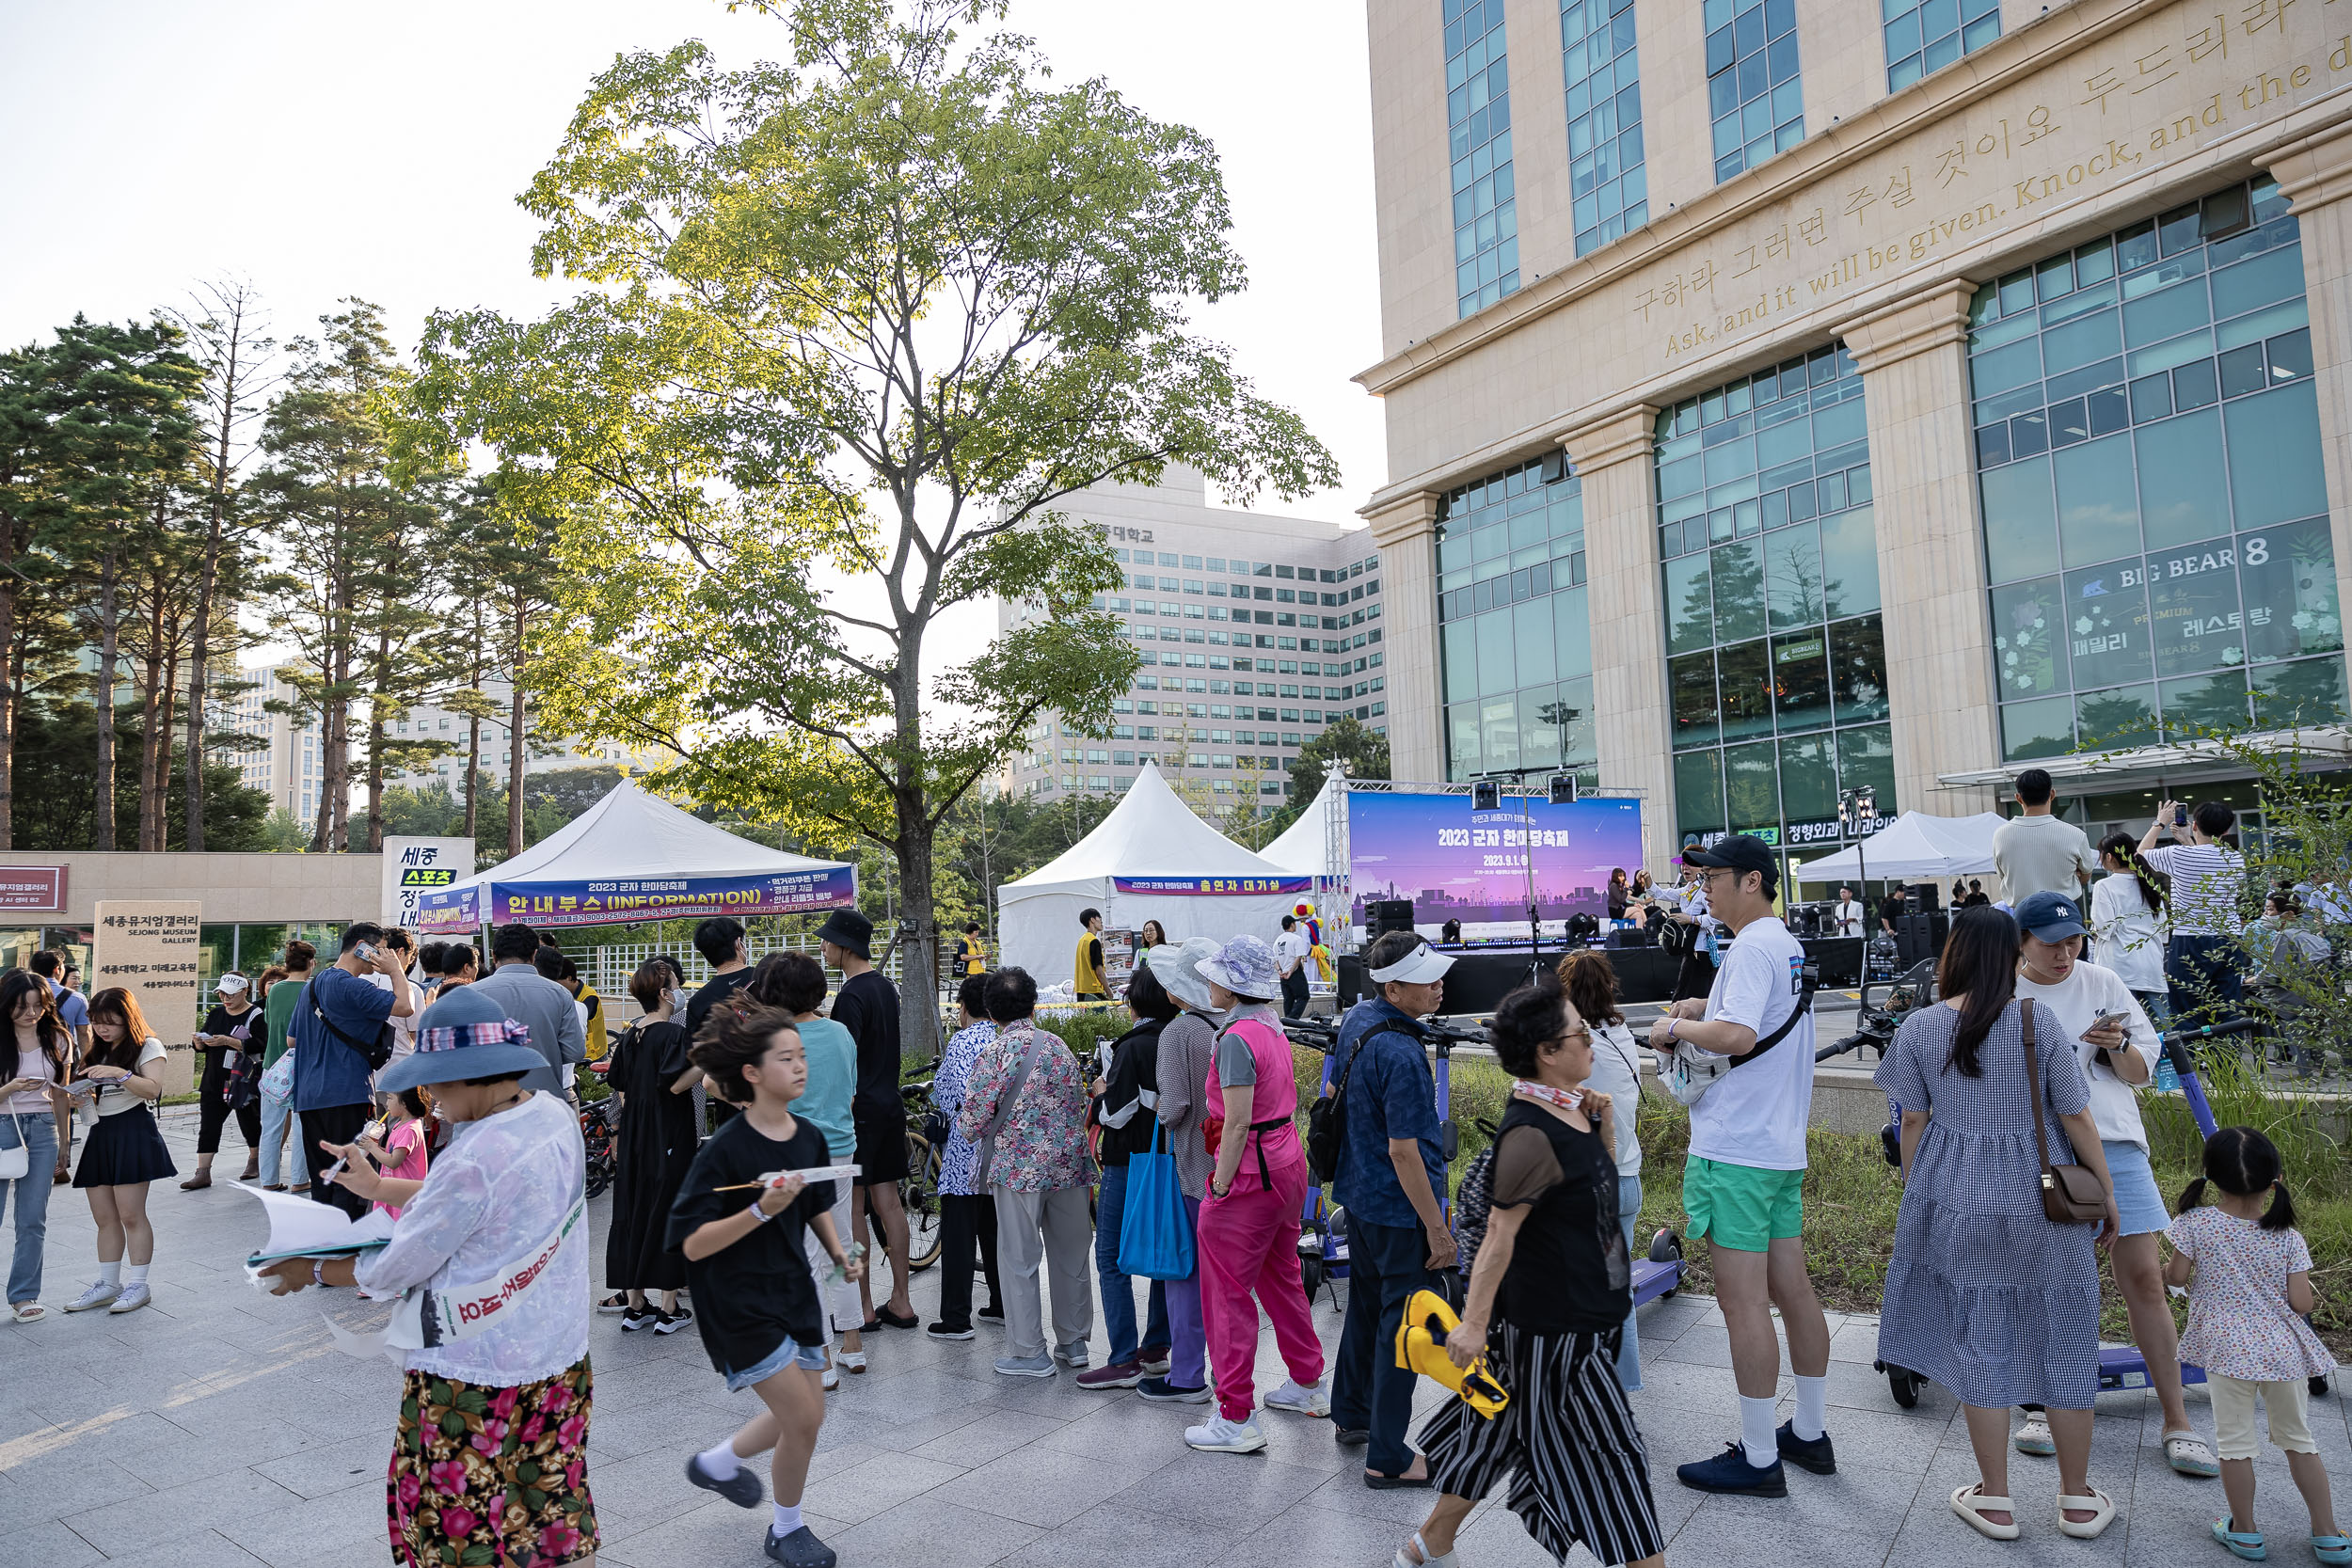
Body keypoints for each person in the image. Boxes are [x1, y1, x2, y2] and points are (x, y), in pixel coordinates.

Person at [258, 984, 600, 1568]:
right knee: (553, 1509)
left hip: (473, 1373)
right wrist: (379, 1187)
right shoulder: (550, 1115)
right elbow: (483, 1200)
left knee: (458, 1529)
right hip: (558, 1354)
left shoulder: (473, 1156)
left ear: (476, 1074)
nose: (431, 1096)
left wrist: (308, 1267)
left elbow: (393, 1269)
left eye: (438, 1081)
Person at [1873, 905, 2122, 1541]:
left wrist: (1918, 1189)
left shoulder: (1921, 1027)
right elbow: (2076, 1119)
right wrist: (2109, 1196)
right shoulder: (2037, 1021)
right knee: (2064, 1337)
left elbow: (1911, 1120)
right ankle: (2076, 1499)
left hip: (1959, 1204)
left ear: (1953, 954)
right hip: (2045, 1205)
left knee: (1980, 1339)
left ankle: (1997, 1498)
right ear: (2012, 957)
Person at [1402, 979, 1666, 1568]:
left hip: (1567, 1320)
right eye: (1580, 1033)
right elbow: (1500, 1236)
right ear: (1548, 1052)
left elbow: (1584, 1208)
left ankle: (1429, 1541)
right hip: (1555, 1334)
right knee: (1616, 1463)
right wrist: (1472, 1326)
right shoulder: (1529, 1135)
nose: (1590, 1041)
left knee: (1495, 1430)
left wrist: (1600, 1127)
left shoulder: (1570, 1112)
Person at [1645, 833, 1836, 1497]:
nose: (1703, 889)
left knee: (1742, 1303)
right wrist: (1707, 1007)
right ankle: (1808, 1432)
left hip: (1737, 1150)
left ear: (1751, 879)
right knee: (1794, 1291)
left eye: (1712, 877)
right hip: (1778, 1147)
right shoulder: (1782, 942)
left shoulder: (1751, 944)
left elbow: (1738, 1037)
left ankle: (1758, 1457)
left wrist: (1675, 1029)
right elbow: (1750, 1018)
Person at [2009, 892, 2216, 1478]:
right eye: (2050, 942)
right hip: (2040, 1148)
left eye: (2072, 939)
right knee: (2050, 1281)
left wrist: (2120, 1046)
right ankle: (2046, 1404)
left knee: (2145, 1279)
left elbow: (2144, 1073)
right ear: (2021, 942)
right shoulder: (2003, 992)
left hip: (2117, 1142)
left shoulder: (2102, 981)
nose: (2063, 952)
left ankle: (2177, 1420)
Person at [670, 1005, 864, 1568]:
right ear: (752, 1072)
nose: (800, 1067)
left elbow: (819, 1207)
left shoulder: (808, 1136)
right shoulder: (724, 1150)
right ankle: (786, 1529)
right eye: (787, 1058)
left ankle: (716, 1463)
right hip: (737, 1300)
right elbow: (693, 1244)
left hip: (793, 1291)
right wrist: (759, 1209)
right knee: (803, 1417)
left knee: (805, 1416)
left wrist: (842, 1258)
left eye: (802, 1056)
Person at [2163, 1128, 2344, 1565]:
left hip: (2226, 1352)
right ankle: (2328, 1535)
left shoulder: (2196, 1223)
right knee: (2299, 1439)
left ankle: (2244, 1532)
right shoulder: (2287, 1237)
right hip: (2283, 1354)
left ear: (2209, 1175)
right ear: (2276, 1179)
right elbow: (2302, 1302)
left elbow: (2175, 1278)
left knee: (2234, 1444)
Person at [1186, 936, 1327, 1454]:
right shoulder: (1270, 1025)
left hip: (1250, 1174)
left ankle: (1235, 1416)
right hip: (1286, 1162)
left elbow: (1237, 1121)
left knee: (1226, 1294)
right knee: (1281, 1276)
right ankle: (1309, 1382)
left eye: (1217, 975)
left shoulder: (1234, 1038)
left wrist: (1219, 1185)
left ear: (1232, 984)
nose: (1209, 982)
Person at [1328, 930, 1455, 1483]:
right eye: (1426, 979)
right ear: (1395, 986)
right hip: (1400, 1206)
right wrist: (1438, 1228)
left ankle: (1352, 1415)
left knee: (1367, 1305)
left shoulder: (1359, 1020)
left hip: (1358, 1195)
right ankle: (1388, 1456)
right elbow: (1405, 1151)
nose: (1440, 986)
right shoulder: (1402, 1052)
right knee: (1405, 1324)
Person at [953, 966, 1096, 1378]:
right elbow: (1079, 1102)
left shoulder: (994, 1054)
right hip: (1070, 1166)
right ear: (1034, 1004)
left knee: (1019, 1258)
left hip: (1018, 1169)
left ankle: (1029, 1351)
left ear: (990, 1011)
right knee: (1071, 1257)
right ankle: (1074, 1342)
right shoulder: (1059, 1047)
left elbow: (973, 1124)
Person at [746, 952, 865, 1382]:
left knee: (805, 1255)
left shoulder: (775, 1039)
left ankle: (821, 1358)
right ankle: (853, 1342)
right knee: (842, 1242)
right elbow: (849, 1092)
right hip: (841, 1149)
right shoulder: (840, 1033)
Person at [817, 909, 917, 1334]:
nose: (822, 947)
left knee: (854, 1207)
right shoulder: (885, 987)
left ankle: (862, 1307)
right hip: (890, 1107)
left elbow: (845, 1061)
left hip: (859, 1113)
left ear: (844, 946)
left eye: (826, 941)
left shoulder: (850, 997)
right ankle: (903, 1301)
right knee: (890, 1203)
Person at [1075, 964, 1175, 1390]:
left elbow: (1117, 1113)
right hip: (1169, 1160)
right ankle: (1155, 1349)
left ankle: (1122, 1358)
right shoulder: (1180, 1036)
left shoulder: (1133, 1048)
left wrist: (1099, 1094)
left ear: (1135, 1002)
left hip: (1127, 1163)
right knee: (1159, 1255)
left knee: (1111, 1257)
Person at [1556, 949, 1646, 1392]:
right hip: (1628, 1180)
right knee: (1617, 1292)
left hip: (1590, 1188)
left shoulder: (1574, 1044)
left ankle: (1593, 1393)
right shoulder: (1621, 1030)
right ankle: (1622, 1387)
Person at [601, 959, 702, 1335]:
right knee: (668, 1209)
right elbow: (676, 1085)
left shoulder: (630, 1034)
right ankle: (669, 1306)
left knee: (633, 1207)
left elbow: (620, 1082)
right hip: (668, 1133)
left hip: (635, 1135)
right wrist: (707, 1057)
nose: (679, 991)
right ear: (663, 993)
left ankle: (636, 1303)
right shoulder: (673, 1036)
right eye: (676, 985)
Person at [1141, 938, 1222, 1403]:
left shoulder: (1177, 1033)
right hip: (1240, 1168)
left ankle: (1188, 1374)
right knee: (1226, 1279)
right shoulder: (1233, 1024)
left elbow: (1173, 1109)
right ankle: (1228, 1375)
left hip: (1193, 1167)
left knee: (1184, 1275)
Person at [291, 922, 416, 1218]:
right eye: (381, 949)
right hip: (347, 1093)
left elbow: (291, 1038)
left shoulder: (312, 986)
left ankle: (325, 1248)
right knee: (353, 1181)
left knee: (324, 1179)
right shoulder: (351, 985)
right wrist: (396, 970)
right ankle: (348, 1254)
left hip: (309, 1097)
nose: (385, 956)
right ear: (364, 947)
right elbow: (405, 1006)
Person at [61, 988, 175, 1314]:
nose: (102, 1029)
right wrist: (77, 1096)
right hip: (101, 1132)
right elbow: (91, 1095)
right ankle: (109, 1284)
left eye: (110, 1022)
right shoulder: (97, 1049)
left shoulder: (147, 1045)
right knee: (104, 1217)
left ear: (128, 1019)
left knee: (131, 1214)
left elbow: (152, 1089)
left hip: (133, 1130)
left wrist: (120, 1073)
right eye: (97, 1022)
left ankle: (139, 1284)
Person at [927, 973, 1004, 1341]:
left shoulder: (963, 1040)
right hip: (1002, 1153)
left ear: (965, 1007)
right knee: (994, 1229)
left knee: (959, 1235)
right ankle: (1001, 1303)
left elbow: (946, 1093)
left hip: (964, 1154)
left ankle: (956, 1318)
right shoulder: (1006, 1039)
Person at [1, 971, 72, 1320]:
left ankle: (24, 1296)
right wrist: (11, 1087)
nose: (31, 1013)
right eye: (21, 1007)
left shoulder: (58, 1039)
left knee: (32, 1219)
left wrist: (65, 1141)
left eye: (37, 1006)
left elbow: (61, 1094)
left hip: (44, 1129)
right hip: (1, 1127)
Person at [2140, 800, 2248, 1024]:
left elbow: (2141, 854)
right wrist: (2188, 840)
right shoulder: (2235, 859)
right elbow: (2204, 859)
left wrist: (2160, 822)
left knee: (2188, 1009)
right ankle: (2228, 1057)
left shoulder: (2179, 855)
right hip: (2229, 937)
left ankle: (2195, 1058)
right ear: (2227, 830)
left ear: (2195, 825)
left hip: (2191, 938)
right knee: (2228, 1007)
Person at [455, 926, 584, 1100]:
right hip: (543, 1105)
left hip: (485, 1107)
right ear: (534, 955)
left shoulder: (469, 994)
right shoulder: (560, 994)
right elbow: (575, 1052)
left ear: (494, 956)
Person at [183, 972, 263, 1190]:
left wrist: (231, 1041)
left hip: (242, 1078)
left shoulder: (256, 1014)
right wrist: (199, 1042)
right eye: (221, 994)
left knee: (249, 1121)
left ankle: (254, 1161)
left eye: (230, 995)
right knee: (208, 1124)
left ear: (244, 991)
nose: (225, 999)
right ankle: (202, 1172)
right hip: (214, 1077)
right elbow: (203, 1044)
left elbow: (262, 1044)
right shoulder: (217, 1013)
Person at [2090, 833, 2169, 1022]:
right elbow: (2164, 932)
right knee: (2165, 1028)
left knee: (2126, 1029)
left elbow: (2104, 927)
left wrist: (2093, 932)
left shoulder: (2105, 886)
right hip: (2151, 966)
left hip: (2120, 966)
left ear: (2109, 857)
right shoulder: (2150, 884)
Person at [1993, 768, 2099, 904]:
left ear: (2018, 798)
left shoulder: (2000, 835)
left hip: (2022, 916)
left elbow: (2003, 875)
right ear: (2052, 794)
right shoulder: (2075, 834)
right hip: (2064, 913)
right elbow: (2086, 875)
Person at [259, 940, 315, 1193]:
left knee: (270, 1128)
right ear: (311, 963)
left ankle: (269, 1181)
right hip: (304, 1067)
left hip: (273, 1067)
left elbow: (271, 1023)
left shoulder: (276, 990)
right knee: (303, 1127)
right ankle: (300, 1179)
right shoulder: (312, 990)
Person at [371, 1085, 431, 1220]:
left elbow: (393, 1162)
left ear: (404, 1103)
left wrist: (372, 1148)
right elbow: (390, 1154)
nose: (386, 1103)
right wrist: (374, 1147)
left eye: (390, 1098)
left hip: (403, 1195)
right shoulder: (400, 1126)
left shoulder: (410, 1129)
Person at [1274, 913, 1313, 1020]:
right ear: (1292, 925)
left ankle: (1287, 1021)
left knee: (1288, 999)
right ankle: (1292, 1019)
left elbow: (1275, 960)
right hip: (1294, 973)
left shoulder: (1277, 941)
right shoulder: (1296, 939)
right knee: (1304, 996)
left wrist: (1279, 971)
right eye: (1294, 923)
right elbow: (1298, 957)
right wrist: (1291, 971)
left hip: (1282, 974)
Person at [1072, 908, 1108, 1001]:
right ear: (1092, 920)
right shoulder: (1093, 941)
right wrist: (1108, 990)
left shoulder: (1082, 940)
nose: (1101, 922)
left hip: (1081, 990)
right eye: (1099, 918)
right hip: (1093, 991)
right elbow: (1099, 971)